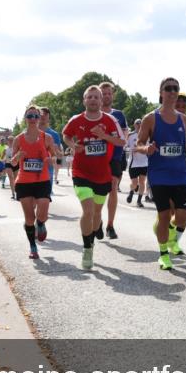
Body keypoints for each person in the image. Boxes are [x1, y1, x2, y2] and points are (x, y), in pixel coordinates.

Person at [137, 77, 186, 270]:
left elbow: (183, 146)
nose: (172, 92)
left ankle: (169, 233)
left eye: (175, 88)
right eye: (168, 88)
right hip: (159, 175)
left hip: (180, 173)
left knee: (182, 217)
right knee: (164, 215)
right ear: (161, 93)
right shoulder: (151, 118)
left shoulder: (183, 119)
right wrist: (146, 148)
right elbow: (138, 144)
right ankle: (164, 254)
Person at [63, 85, 123, 270]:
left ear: (101, 100)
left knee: (96, 214)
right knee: (88, 210)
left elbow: (121, 141)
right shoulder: (76, 120)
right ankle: (87, 248)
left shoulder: (110, 120)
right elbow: (66, 135)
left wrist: (103, 135)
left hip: (102, 174)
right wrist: (73, 145)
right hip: (81, 172)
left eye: (96, 97)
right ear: (84, 100)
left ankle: (95, 232)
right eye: (90, 97)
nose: (93, 100)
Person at [11, 105, 58, 259]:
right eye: (30, 116)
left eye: (36, 116)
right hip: (24, 182)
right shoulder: (18, 139)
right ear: (25, 118)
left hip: (42, 180)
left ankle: (41, 224)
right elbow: (12, 162)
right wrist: (18, 156)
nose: (33, 119)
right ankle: (33, 247)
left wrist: (50, 159)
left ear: (39, 119)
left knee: (42, 214)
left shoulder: (47, 137)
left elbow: (55, 156)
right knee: (29, 218)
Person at [98, 82, 128, 239]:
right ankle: (97, 220)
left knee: (113, 187)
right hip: (96, 157)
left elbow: (125, 134)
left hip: (115, 156)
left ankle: (110, 225)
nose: (107, 96)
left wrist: (119, 139)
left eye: (109, 93)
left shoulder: (119, 115)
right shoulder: (92, 114)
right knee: (98, 191)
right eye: (104, 93)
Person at [125, 118, 149, 207]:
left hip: (144, 162)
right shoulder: (130, 135)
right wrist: (131, 149)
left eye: (140, 124)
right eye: (137, 124)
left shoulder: (147, 135)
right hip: (133, 163)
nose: (139, 125)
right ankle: (131, 192)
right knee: (134, 182)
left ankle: (139, 201)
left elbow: (149, 146)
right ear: (134, 125)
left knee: (142, 182)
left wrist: (145, 149)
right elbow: (125, 146)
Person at [38, 107, 64, 187]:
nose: (43, 116)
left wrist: (56, 150)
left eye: (46, 114)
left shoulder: (54, 134)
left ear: (49, 118)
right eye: (41, 114)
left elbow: (60, 155)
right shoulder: (29, 132)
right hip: (31, 170)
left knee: (45, 194)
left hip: (48, 171)